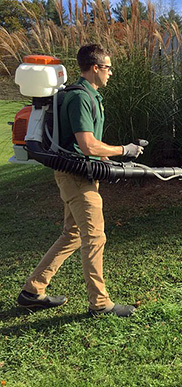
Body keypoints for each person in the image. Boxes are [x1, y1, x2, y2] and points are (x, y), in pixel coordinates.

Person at [16, 44, 144, 317]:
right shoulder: (80, 98)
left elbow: (88, 146)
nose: (111, 73)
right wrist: (124, 149)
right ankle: (100, 304)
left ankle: (32, 291)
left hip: (80, 172)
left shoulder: (88, 95)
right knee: (95, 237)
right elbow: (86, 145)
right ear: (95, 68)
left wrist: (107, 162)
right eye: (108, 68)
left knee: (72, 235)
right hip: (75, 177)